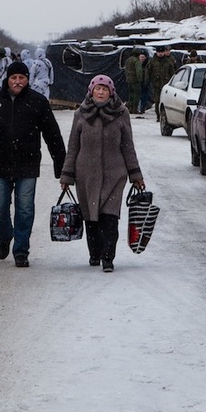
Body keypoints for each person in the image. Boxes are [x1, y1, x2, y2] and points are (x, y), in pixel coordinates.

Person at [0, 61, 66, 268]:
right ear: (8, 79)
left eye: (22, 78)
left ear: (27, 79)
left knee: (25, 210)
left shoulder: (37, 102)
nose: (18, 82)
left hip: (27, 163)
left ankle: (21, 251)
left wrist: (61, 163)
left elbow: (52, 134)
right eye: (14, 78)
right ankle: (5, 236)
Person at [60, 75, 144, 272]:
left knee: (110, 217)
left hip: (115, 174)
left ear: (111, 92)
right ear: (91, 91)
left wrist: (136, 175)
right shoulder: (80, 114)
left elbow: (127, 146)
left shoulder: (121, 113)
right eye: (97, 88)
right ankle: (94, 253)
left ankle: (108, 258)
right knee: (90, 217)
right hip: (86, 174)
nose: (100, 92)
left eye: (104, 89)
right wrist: (66, 176)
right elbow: (73, 147)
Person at [145, 45, 176, 121]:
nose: (160, 54)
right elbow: (148, 71)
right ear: (156, 52)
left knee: (166, 101)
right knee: (157, 100)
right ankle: (158, 116)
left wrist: (173, 82)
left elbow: (172, 72)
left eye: (162, 52)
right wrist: (147, 81)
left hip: (166, 84)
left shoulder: (168, 61)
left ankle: (165, 116)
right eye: (159, 52)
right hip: (156, 84)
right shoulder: (152, 61)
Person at [123, 48, 145, 114]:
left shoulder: (128, 60)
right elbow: (139, 71)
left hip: (129, 79)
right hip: (135, 80)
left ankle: (130, 108)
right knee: (136, 95)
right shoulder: (137, 61)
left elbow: (125, 69)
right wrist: (140, 79)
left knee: (130, 95)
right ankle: (134, 109)